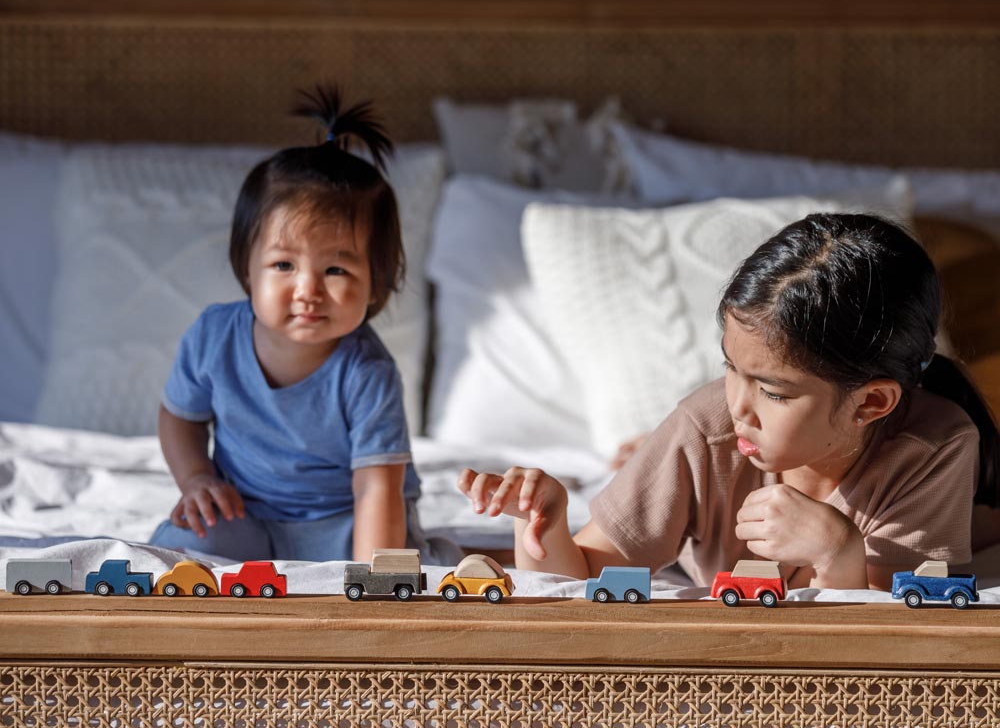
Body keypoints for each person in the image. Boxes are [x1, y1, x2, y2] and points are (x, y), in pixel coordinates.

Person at [458, 213, 1000, 590]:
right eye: (730, 368)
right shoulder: (708, 423)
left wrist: (838, 552)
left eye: (772, 391)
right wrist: (543, 524)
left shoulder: (935, 448)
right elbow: (576, 584)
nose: (739, 404)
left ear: (871, 403)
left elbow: (892, 645)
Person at [150, 85, 453, 564]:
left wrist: (371, 582)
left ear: (376, 284)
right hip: (243, 511)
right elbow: (180, 418)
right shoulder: (214, 336)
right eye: (284, 266)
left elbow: (377, 489)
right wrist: (196, 479)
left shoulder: (366, 372)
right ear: (246, 268)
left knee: (403, 567)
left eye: (336, 270)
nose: (307, 290)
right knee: (183, 554)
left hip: (347, 517)